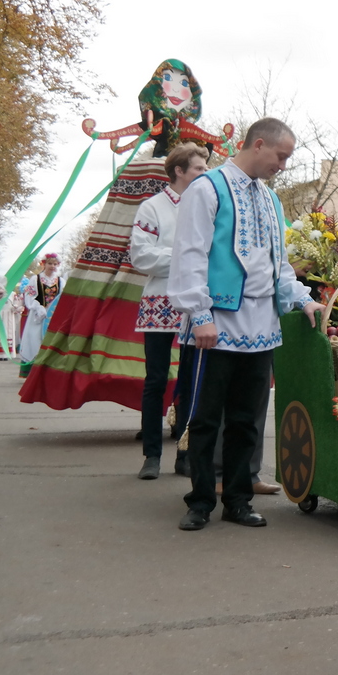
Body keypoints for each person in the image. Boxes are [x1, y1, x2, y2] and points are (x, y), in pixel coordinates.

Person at [167, 118, 323, 531]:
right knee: (204, 417)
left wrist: (302, 299)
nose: (283, 166)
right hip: (216, 322)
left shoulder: (271, 200)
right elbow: (190, 254)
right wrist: (198, 314)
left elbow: (279, 264)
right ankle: (200, 501)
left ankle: (238, 498)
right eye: (281, 156)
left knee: (245, 418)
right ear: (258, 144)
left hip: (261, 323)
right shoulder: (208, 188)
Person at [130, 142, 209, 480]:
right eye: (199, 169)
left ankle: (185, 451)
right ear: (179, 171)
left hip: (196, 307)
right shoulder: (152, 208)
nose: (205, 174)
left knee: (191, 381)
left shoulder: (207, 208)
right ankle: (151, 454)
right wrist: (183, 259)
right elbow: (139, 256)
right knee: (156, 380)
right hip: (160, 303)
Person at [17, 253, 63, 376]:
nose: (52, 266)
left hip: (53, 317)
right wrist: (38, 306)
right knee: (35, 339)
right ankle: (33, 371)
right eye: (50, 263)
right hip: (37, 316)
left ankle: (48, 371)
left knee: (50, 341)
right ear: (44, 264)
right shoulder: (35, 279)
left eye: (55, 264)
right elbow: (29, 295)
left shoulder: (61, 281)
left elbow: (63, 299)